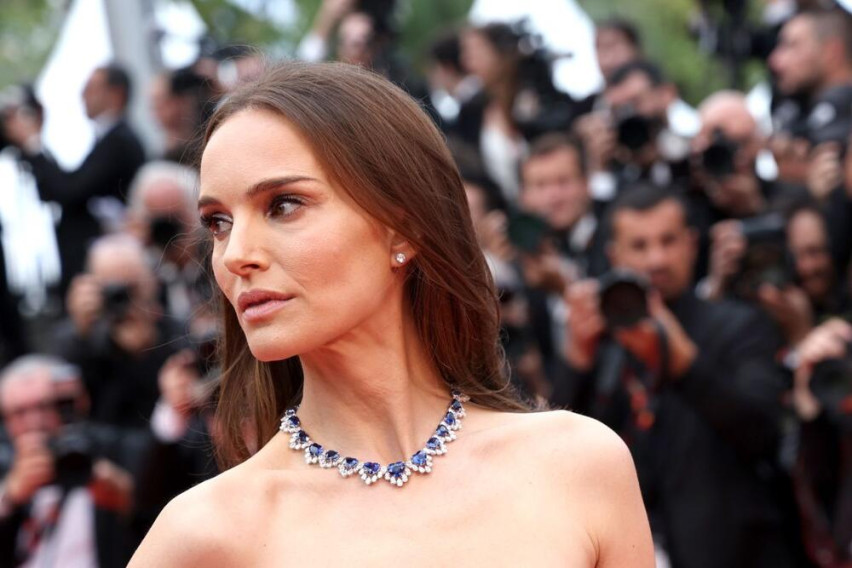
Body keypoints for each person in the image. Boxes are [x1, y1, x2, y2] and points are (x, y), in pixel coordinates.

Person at [129, 61, 653, 566]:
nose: (235, 254)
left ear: (402, 228)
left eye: (283, 205)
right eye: (218, 222)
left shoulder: (579, 466)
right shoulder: (207, 534)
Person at [553, 184, 801, 567]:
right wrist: (575, 361)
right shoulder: (602, 344)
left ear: (691, 244)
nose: (656, 259)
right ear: (614, 256)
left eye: (668, 241)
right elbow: (561, 457)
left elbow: (766, 433)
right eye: (639, 246)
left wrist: (683, 363)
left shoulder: (740, 326)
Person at [3, 64, 146, 296]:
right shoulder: (110, 139)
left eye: (91, 88)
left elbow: (70, 191)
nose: (83, 95)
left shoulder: (119, 141)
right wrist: (35, 146)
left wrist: (32, 143)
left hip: (110, 270)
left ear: (116, 93)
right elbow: (63, 187)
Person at [0, 355, 144, 567]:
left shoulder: (114, 449)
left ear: (71, 403)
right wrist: (9, 498)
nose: (34, 421)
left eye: (43, 406)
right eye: (19, 412)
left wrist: (123, 496)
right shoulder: (5, 466)